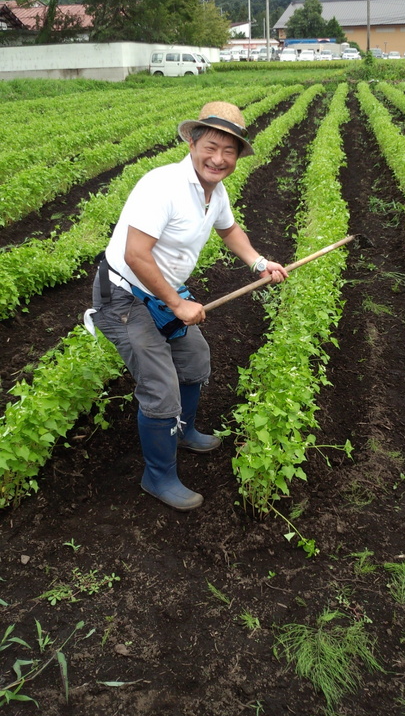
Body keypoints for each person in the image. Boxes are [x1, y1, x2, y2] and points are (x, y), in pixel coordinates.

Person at [90, 101, 287, 512]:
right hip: (125, 294)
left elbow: (228, 228)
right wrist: (177, 302)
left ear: (237, 156)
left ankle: (183, 430)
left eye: (229, 151)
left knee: (195, 359)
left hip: (160, 290)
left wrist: (258, 262)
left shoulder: (214, 192)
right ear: (193, 141)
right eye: (211, 146)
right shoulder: (162, 186)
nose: (219, 158)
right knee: (160, 387)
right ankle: (157, 476)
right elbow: (136, 253)